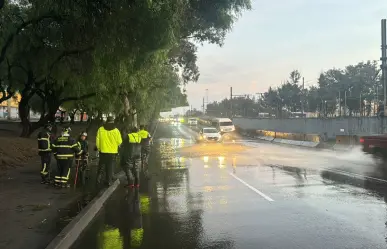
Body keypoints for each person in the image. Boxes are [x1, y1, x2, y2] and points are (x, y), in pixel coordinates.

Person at [96, 116, 122, 186]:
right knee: (109, 167)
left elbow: (97, 140)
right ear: (113, 121)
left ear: (106, 121)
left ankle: (98, 179)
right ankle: (108, 181)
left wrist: (99, 148)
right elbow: (119, 142)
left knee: (101, 165)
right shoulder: (116, 130)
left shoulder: (100, 129)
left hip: (103, 151)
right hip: (112, 152)